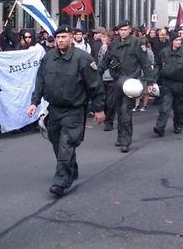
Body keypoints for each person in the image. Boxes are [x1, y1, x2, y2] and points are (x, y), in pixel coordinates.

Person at [26, 25, 105, 197]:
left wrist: (98, 109)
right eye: (58, 37)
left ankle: (61, 181)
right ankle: (70, 168)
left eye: (64, 37)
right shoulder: (48, 58)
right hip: (54, 108)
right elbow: (40, 80)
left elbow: (95, 85)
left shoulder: (82, 59)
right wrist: (34, 102)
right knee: (55, 140)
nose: (60, 40)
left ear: (71, 37)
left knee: (67, 143)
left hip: (74, 109)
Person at [98, 20, 152, 153]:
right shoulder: (113, 44)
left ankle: (125, 141)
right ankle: (120, 137)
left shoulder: (138, 43)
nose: (123, 32)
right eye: (121, 30)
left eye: (125, 29)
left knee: (126, 111)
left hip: (130, 82)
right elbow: (105, 61)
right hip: (116, 82)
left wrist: (150, 82)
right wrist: (95, 75)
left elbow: (145, 63)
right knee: (117, 109)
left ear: (130, 30)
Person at [153, 31, 183, 137]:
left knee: (178, 108)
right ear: (171, 41)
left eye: (180, 40)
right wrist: (153, 80)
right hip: (167, 83)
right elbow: (158, 65)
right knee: (164, 106)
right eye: (176, 40)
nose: (179, 42)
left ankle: (178, 125)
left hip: (180, 84)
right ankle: (160, 127)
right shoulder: (164, 52)